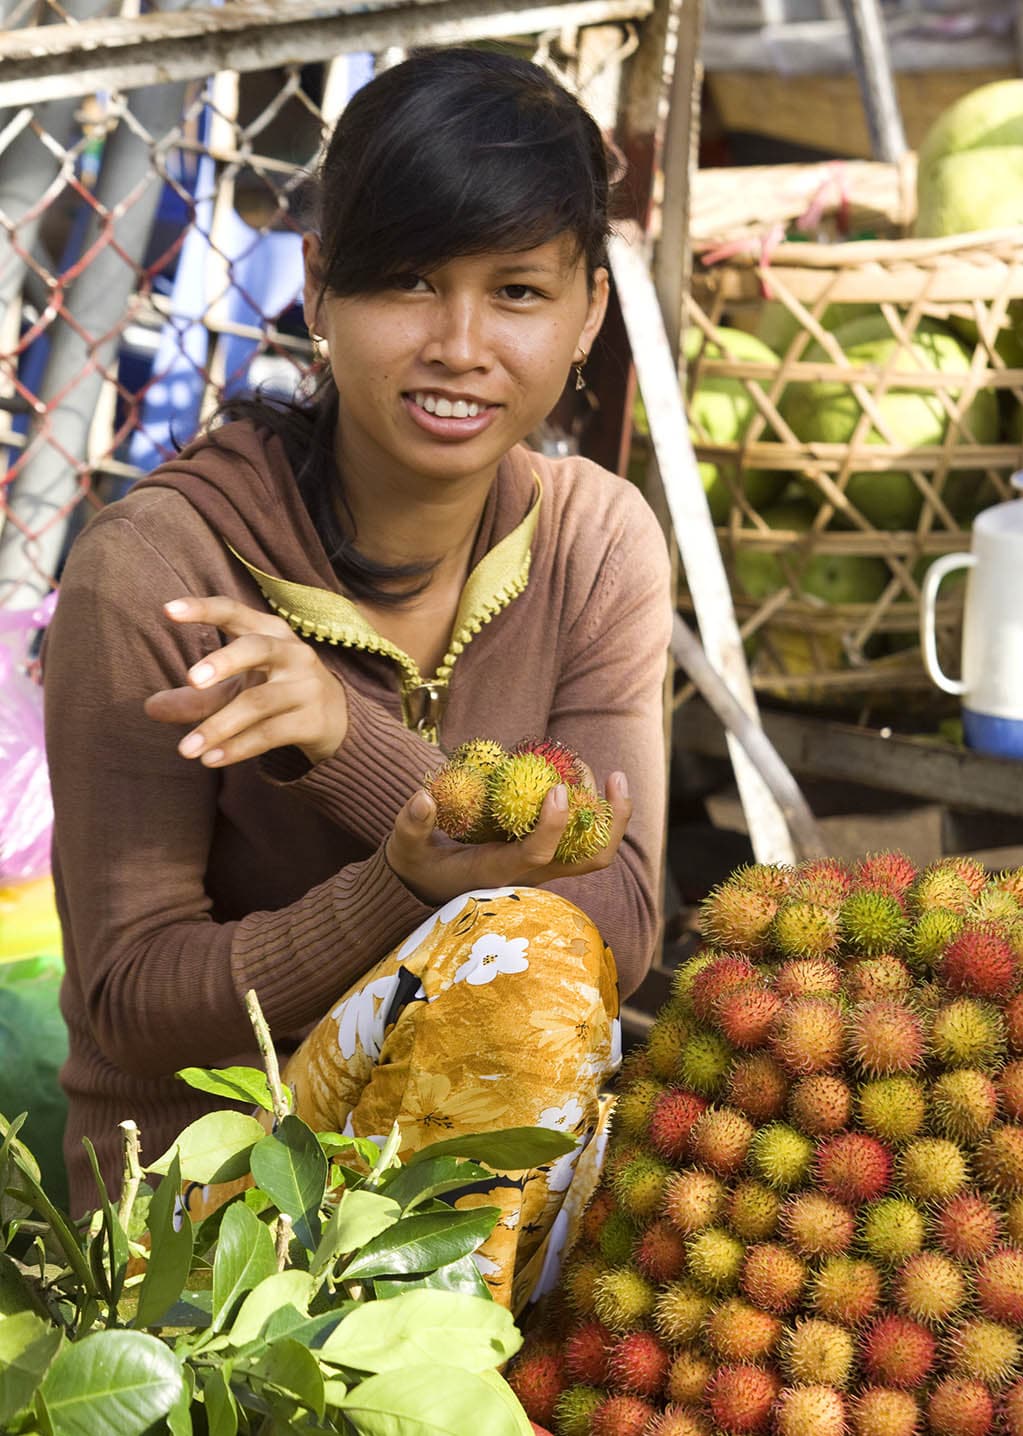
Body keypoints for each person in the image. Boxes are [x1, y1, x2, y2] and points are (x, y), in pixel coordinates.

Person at [43, 46, 672, 1309]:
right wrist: (400, 885)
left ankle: (453, 1356)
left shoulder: (599, 539)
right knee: (526, 962)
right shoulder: (157, 569)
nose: (459, 345)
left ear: (589, 312)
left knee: (549, 961)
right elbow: (127, 1003)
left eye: (517, 293)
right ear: (320, 288)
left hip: (478, 1172)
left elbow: (622, 918)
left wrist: (354, 749)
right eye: (408, 283)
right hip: (197, 1219)